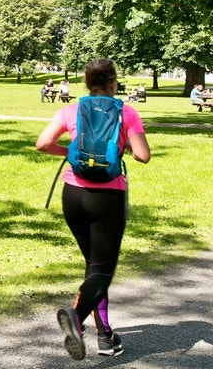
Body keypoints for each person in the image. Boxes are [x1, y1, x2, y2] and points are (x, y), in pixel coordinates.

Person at [35, 58, 151, 360]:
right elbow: (143, 155)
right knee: (104, 269)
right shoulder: (126, 112)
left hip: (72, 194)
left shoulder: (70, 110)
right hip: (107, 198)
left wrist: (71, 153)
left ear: (87, 84)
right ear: (113, 83)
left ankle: (105, 337)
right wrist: (122, 145)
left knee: (93, 265)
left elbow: (42, 144)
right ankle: (76, 317)